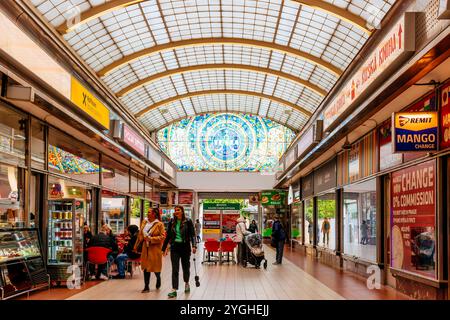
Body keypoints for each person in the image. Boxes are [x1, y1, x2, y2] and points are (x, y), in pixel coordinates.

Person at [162, 206, 197, 298]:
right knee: (175, 268)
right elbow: (168, 236)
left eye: (178, 210)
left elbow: (193, 235)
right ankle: (174, 289)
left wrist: (194, 245)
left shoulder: (188, 221)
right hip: (174, 248)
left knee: (186, 268)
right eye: (175, 210)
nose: (176, 211)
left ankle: (186, 283)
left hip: (185, 248)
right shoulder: (171, 222)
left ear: (182, 211)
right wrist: (163, 248)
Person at [136, 208, 165, 292]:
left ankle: (158, 278)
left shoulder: (159, 224)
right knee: (146, 267)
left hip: (155, 249)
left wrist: (151, 239)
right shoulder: (144, 222)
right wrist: (137, 244)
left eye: (149, 212)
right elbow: (140, 234)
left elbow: (162, 237)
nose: (147, 213)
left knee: (155, 267)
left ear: (154, 214)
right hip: (145, 248)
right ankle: (146, 287)